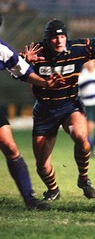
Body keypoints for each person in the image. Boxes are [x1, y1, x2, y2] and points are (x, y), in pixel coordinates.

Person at [24, 19, 95, 201]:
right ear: (47, 40)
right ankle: (53, 190)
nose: (59, 41)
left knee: (81, 136)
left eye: (62, 36)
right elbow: (15, 70)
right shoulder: (35, 51)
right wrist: (26, 64)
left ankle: (84, 178)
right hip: (44, 110)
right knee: (41, 164)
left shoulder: (78, 48)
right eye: (55, 38)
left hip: (69, 105)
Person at [1, 15, 64, 210]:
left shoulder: (1, 48)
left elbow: (23, 71)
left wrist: (46, 82)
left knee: (10, 147)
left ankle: (30, 200)